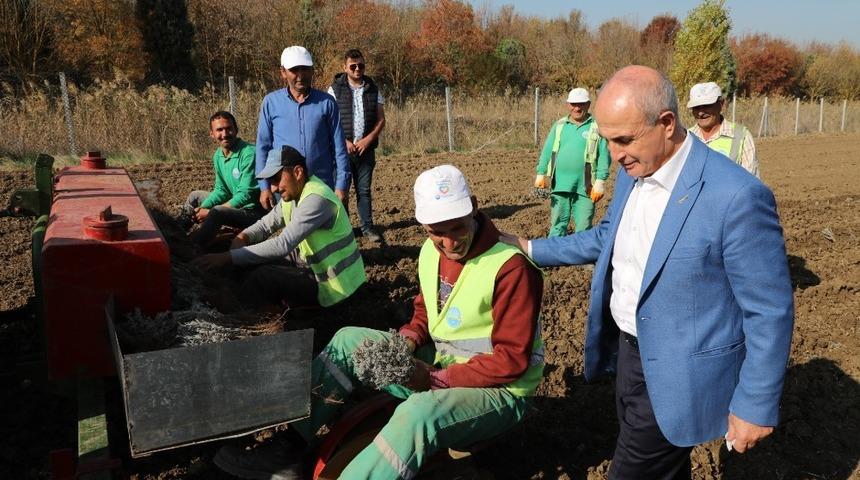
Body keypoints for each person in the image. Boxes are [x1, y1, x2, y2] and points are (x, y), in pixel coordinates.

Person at [503, 66, 793, 478]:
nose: (615, 154)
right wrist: (530, 247)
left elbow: (769, 309)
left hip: (681, 372)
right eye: (608, 141)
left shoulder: (736, 196)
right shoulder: (634, 171)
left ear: (667, 124)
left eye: (623, 140)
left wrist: (756, 402)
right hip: (629, 357)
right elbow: (607, 237)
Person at [213, 164, 545, 479]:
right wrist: (408, 340)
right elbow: (427, 310)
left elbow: (511, 361)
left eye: (457, 226)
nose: (449, 242)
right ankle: (289, 447)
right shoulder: (431, 252)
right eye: (436, 233)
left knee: (418, 416)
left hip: (499, 390)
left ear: (473, 207)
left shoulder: (511, 268)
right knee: (348, 341)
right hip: (441, 366)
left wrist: (438, 380)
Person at [192, 146, 365, 310]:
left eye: (276, 179)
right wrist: (242, 237)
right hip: (310, 261)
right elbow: (265, 225)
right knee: (249, 260)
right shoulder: (294, 195)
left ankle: (241, 316)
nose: (273, 188)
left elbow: (283, 244)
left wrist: (226, 257)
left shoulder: (316, 198)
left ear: (298, 172)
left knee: (263, 277)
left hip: (334, 283)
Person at [255, 45, 350, 211]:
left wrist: (341, 185)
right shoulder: (271, 103)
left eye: (305, 69)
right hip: (286, 188)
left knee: (324, 234)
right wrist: (264, 187)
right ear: (283, 72)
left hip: (321, 186)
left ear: (312, 70)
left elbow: (339, 148)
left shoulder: (327, 103)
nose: (300, 76)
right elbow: (263, 147)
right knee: (291, 233)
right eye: (294, 70)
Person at [328, 48, 386, 243]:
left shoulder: (373, 88)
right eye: (352, 66)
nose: (357, 69)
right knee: (341, 191)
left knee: (364, 191)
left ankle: (367, 228)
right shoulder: (334, 90)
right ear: (345, 67)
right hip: (341, 152)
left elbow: (380, 119)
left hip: (366, 151)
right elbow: (329, 121)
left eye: (360, 65)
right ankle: (344, 230)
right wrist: (344, 142)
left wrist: (367, 140)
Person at [535, 87, 611, 237]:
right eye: (573, 104)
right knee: (557, 224)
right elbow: (548, 150)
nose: (577, 108)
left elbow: (604, 155)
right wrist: (541, 173)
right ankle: (553, 254)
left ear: (588, 105)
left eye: (581, 104)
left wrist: (600, 181)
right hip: (560, 185)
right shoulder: (560, 126)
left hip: (586, 186)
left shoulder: (596, 127)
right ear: (568, 105)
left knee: (583, 225)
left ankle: (581, 257)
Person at [183, 111, 263, 247]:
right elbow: (221, 190)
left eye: (229, 129)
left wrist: (209, 212)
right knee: (195, 196)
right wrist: (204, 207)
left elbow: (246, 195)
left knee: (217, 213)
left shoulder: (249, 153)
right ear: (212, 134)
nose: (225, 134)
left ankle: (195, 249)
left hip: (251, 211)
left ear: (236, 130)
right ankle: (177, 235)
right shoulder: (218, 156)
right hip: (234, 203)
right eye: (219, 130)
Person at [687, 81, 759, 177]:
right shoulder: (686, 138)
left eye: (707, 106)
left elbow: (751, 182)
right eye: (696, 107)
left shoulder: (741, 136)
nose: (701, 113)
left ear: (721, 104)